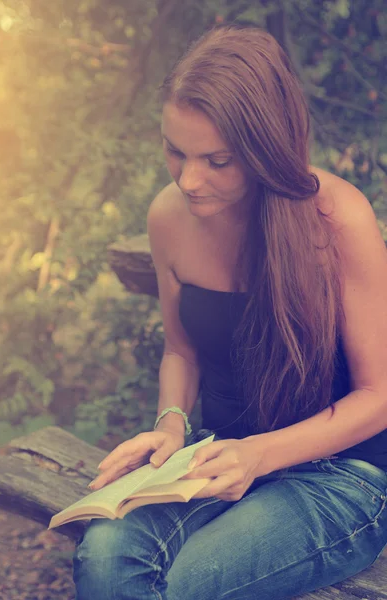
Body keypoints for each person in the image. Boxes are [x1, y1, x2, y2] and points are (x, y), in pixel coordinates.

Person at [73, 24, 387, 600]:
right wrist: (170, 424)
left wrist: (259, 454)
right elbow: (180, 349)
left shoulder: (337, 219)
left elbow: (379, 395)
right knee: (103, 558)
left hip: (338, 474)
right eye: (176, 152)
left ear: (266, 148)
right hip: (215, 451)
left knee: (186, 585)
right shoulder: (168, 216)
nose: (190, 180)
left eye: (218, 160)